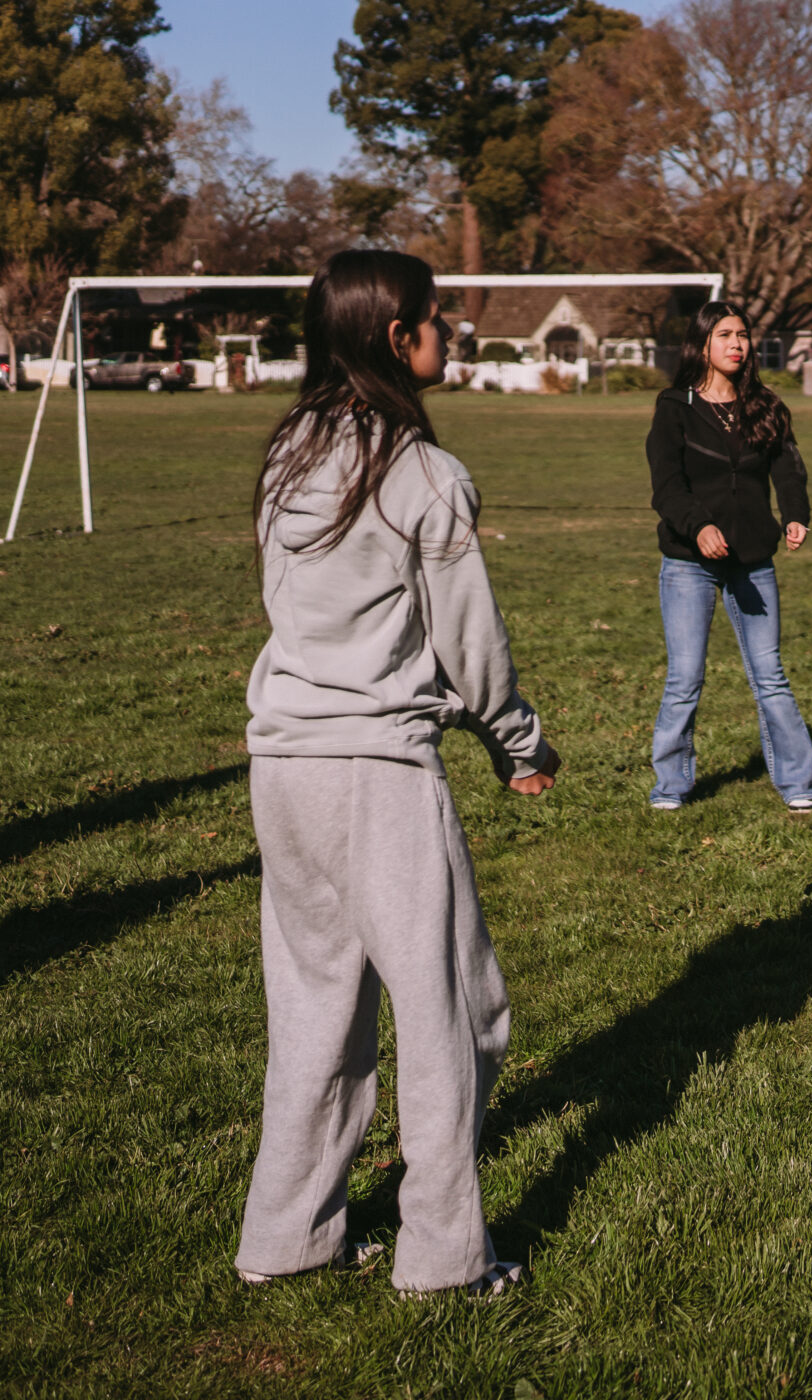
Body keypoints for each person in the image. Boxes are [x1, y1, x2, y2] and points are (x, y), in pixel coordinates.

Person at [240, 250, 558, 1297]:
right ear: (395, 336)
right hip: (373, 774)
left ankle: (290, 1235)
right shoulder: (423, 472)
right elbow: (472, 646)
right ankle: (444, 1257)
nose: (449, 331)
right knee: (456, 1013)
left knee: (317, 1006)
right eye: (435, 318)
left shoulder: (288, 450)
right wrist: (519, 741)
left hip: (283, 769)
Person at [645, 302, 812, 814]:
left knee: (770, 675)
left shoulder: (764, 405)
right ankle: (670, 786)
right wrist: (698, 527)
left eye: (742, 335)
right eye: (725, 335)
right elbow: (667, 486)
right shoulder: (675, 406)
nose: (737, 344)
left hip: (753, 562)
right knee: (685, 677)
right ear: (703, 344)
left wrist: (795, 514)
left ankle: (798, 782)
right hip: (688, 564)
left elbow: (789, 470)